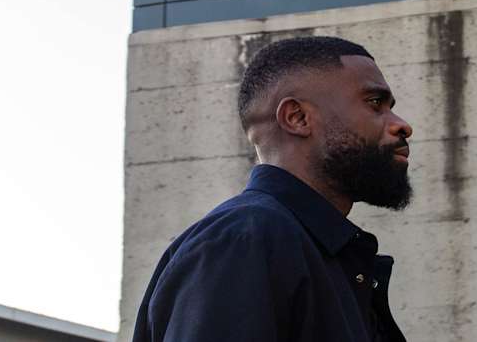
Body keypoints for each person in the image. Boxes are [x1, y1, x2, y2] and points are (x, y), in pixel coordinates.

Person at [132, 36, 414, 342]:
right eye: (375, 103)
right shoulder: (245, 239)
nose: (402, 125)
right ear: (297, 118)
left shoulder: (323, 254)